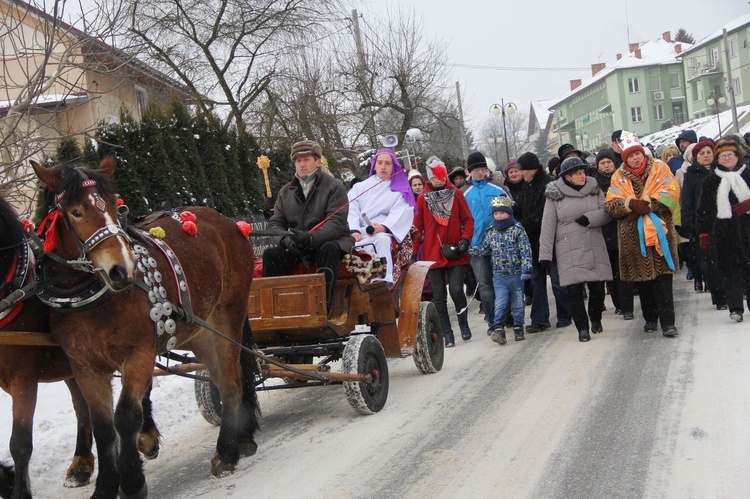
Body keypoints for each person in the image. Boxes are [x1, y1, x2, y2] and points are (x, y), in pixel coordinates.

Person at [263, 140, 354, 313]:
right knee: (270, 255)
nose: (302, 164)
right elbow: (276, 223)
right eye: (298, 161)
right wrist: (286, 241)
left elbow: (336, 223)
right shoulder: (285, 191)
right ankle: (273, 311)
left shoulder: (334, 187)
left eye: (306, 160)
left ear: (318, 162)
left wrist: (311, 237)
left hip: (331, 241)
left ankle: (323, 309)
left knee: (328, 249)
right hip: (297, 244)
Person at [604, 131, 681, 337]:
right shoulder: (618, 176)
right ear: (625, 159)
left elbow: (672, 191)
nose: (635, 158)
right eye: (630, 155)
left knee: (663, 280)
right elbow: (611, 206)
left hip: (660, 232)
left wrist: (650, 204)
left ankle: (668, 323)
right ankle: (650, 318)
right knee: (644, 281)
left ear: (643, 153)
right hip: (633, 237)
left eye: (637, 154)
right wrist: (630, 205)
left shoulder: (659, 168)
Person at [539, 157, 613, 342]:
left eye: (583, 172)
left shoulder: (594, 189)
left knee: (597, 287)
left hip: (593, 243)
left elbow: (607, 212)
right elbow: (547, 225)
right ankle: (582, 328)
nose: (583, 176)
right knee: (573, 291)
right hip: (567, 247)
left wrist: (590, 218)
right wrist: (545, 254)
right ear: (568, 177)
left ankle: (596, 318)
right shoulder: (554, 195)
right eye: (578, 173)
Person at [413, 162, 474, 347]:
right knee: (439, 297)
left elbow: (468, 220)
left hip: (455, 251)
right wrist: (413, 252)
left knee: (456, 290)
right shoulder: (423, 199)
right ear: (428, 179)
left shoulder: (456, 194)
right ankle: (447, 333)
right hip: (433, 253)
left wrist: (465, 239)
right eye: (433, 178)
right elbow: (418, 227)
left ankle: (463, 323)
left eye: (440, 178)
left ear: (445, 176)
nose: (437, 182)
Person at [515, 151, 572, 333]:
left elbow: (544, 214)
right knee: (537, 281)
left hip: (551, 240)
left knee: (557, 279)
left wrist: (523, 225)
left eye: (523, 170)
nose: (521, 173)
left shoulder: (549, 185)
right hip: (532, 242)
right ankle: (539, 319)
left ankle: (565, 314)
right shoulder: (526, 185)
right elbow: (522, 208)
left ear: (532, 168)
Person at [696, 138, 750, 323]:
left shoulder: (748, 174)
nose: (727, 158)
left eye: (730, 155)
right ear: (717, 159)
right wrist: (703, 232)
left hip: (748, 229)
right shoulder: (711, 180)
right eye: (722, 156)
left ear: (738, 156)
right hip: (724, 232)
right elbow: (704, 209)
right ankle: (735, 308)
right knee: (730, 271)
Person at [347, 148, 416, 286]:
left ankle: (384, 278)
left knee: (381, 241)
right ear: (375, 165)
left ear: (393, 166)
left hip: (382, 232)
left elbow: (401, 212)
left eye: (387, 163)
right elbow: (351, 209)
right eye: (380, 163)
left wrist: (384, 227)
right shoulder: (360, 187)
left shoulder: (399, 190)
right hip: (360, 232)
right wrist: (353, 230)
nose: (383, 167)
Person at [463, 151, 510, 333]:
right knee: (484, 285)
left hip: (499, 245)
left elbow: (510, 212)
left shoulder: (498, 189)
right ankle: (492, 321)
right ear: (469, 171)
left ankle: (506, 317)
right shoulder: (464, 193)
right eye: (476, 170)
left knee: (503, 281)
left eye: (483, 169)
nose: (480, 173)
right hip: (476, 247)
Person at [476, 196, 532, 345]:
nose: (499, 216)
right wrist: (474, 250)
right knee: (500, 302)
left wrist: (526, 268)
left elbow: (525, 249)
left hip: (516, 274)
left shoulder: (517, 230)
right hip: (499, 275)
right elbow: (485, 248)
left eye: (502, 213)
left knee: (518, 302)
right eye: (496, 214)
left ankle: (518, 326)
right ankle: (499, 327)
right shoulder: (491, 231)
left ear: (509, 213)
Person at [680, 139, 726, 306]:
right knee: (710, 262)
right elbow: (687, 202)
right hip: (704, 224)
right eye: (702, 153)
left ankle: (731, 292)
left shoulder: (722, 171)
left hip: (724, 222)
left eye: (709, 152)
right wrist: (689, 226)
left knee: (727, 258)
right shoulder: (691, 175)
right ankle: (719, 295)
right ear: (696, 157)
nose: (706, 156)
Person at [594, 149, 634, 320]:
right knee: (610, 272)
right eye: (602, 163)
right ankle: (619, 304)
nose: (606, 165)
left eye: (608, 162)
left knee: (624, 270)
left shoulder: (622, 178)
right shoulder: (595, 184)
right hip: (604, 231)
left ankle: (628, 307)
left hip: (622, 227)